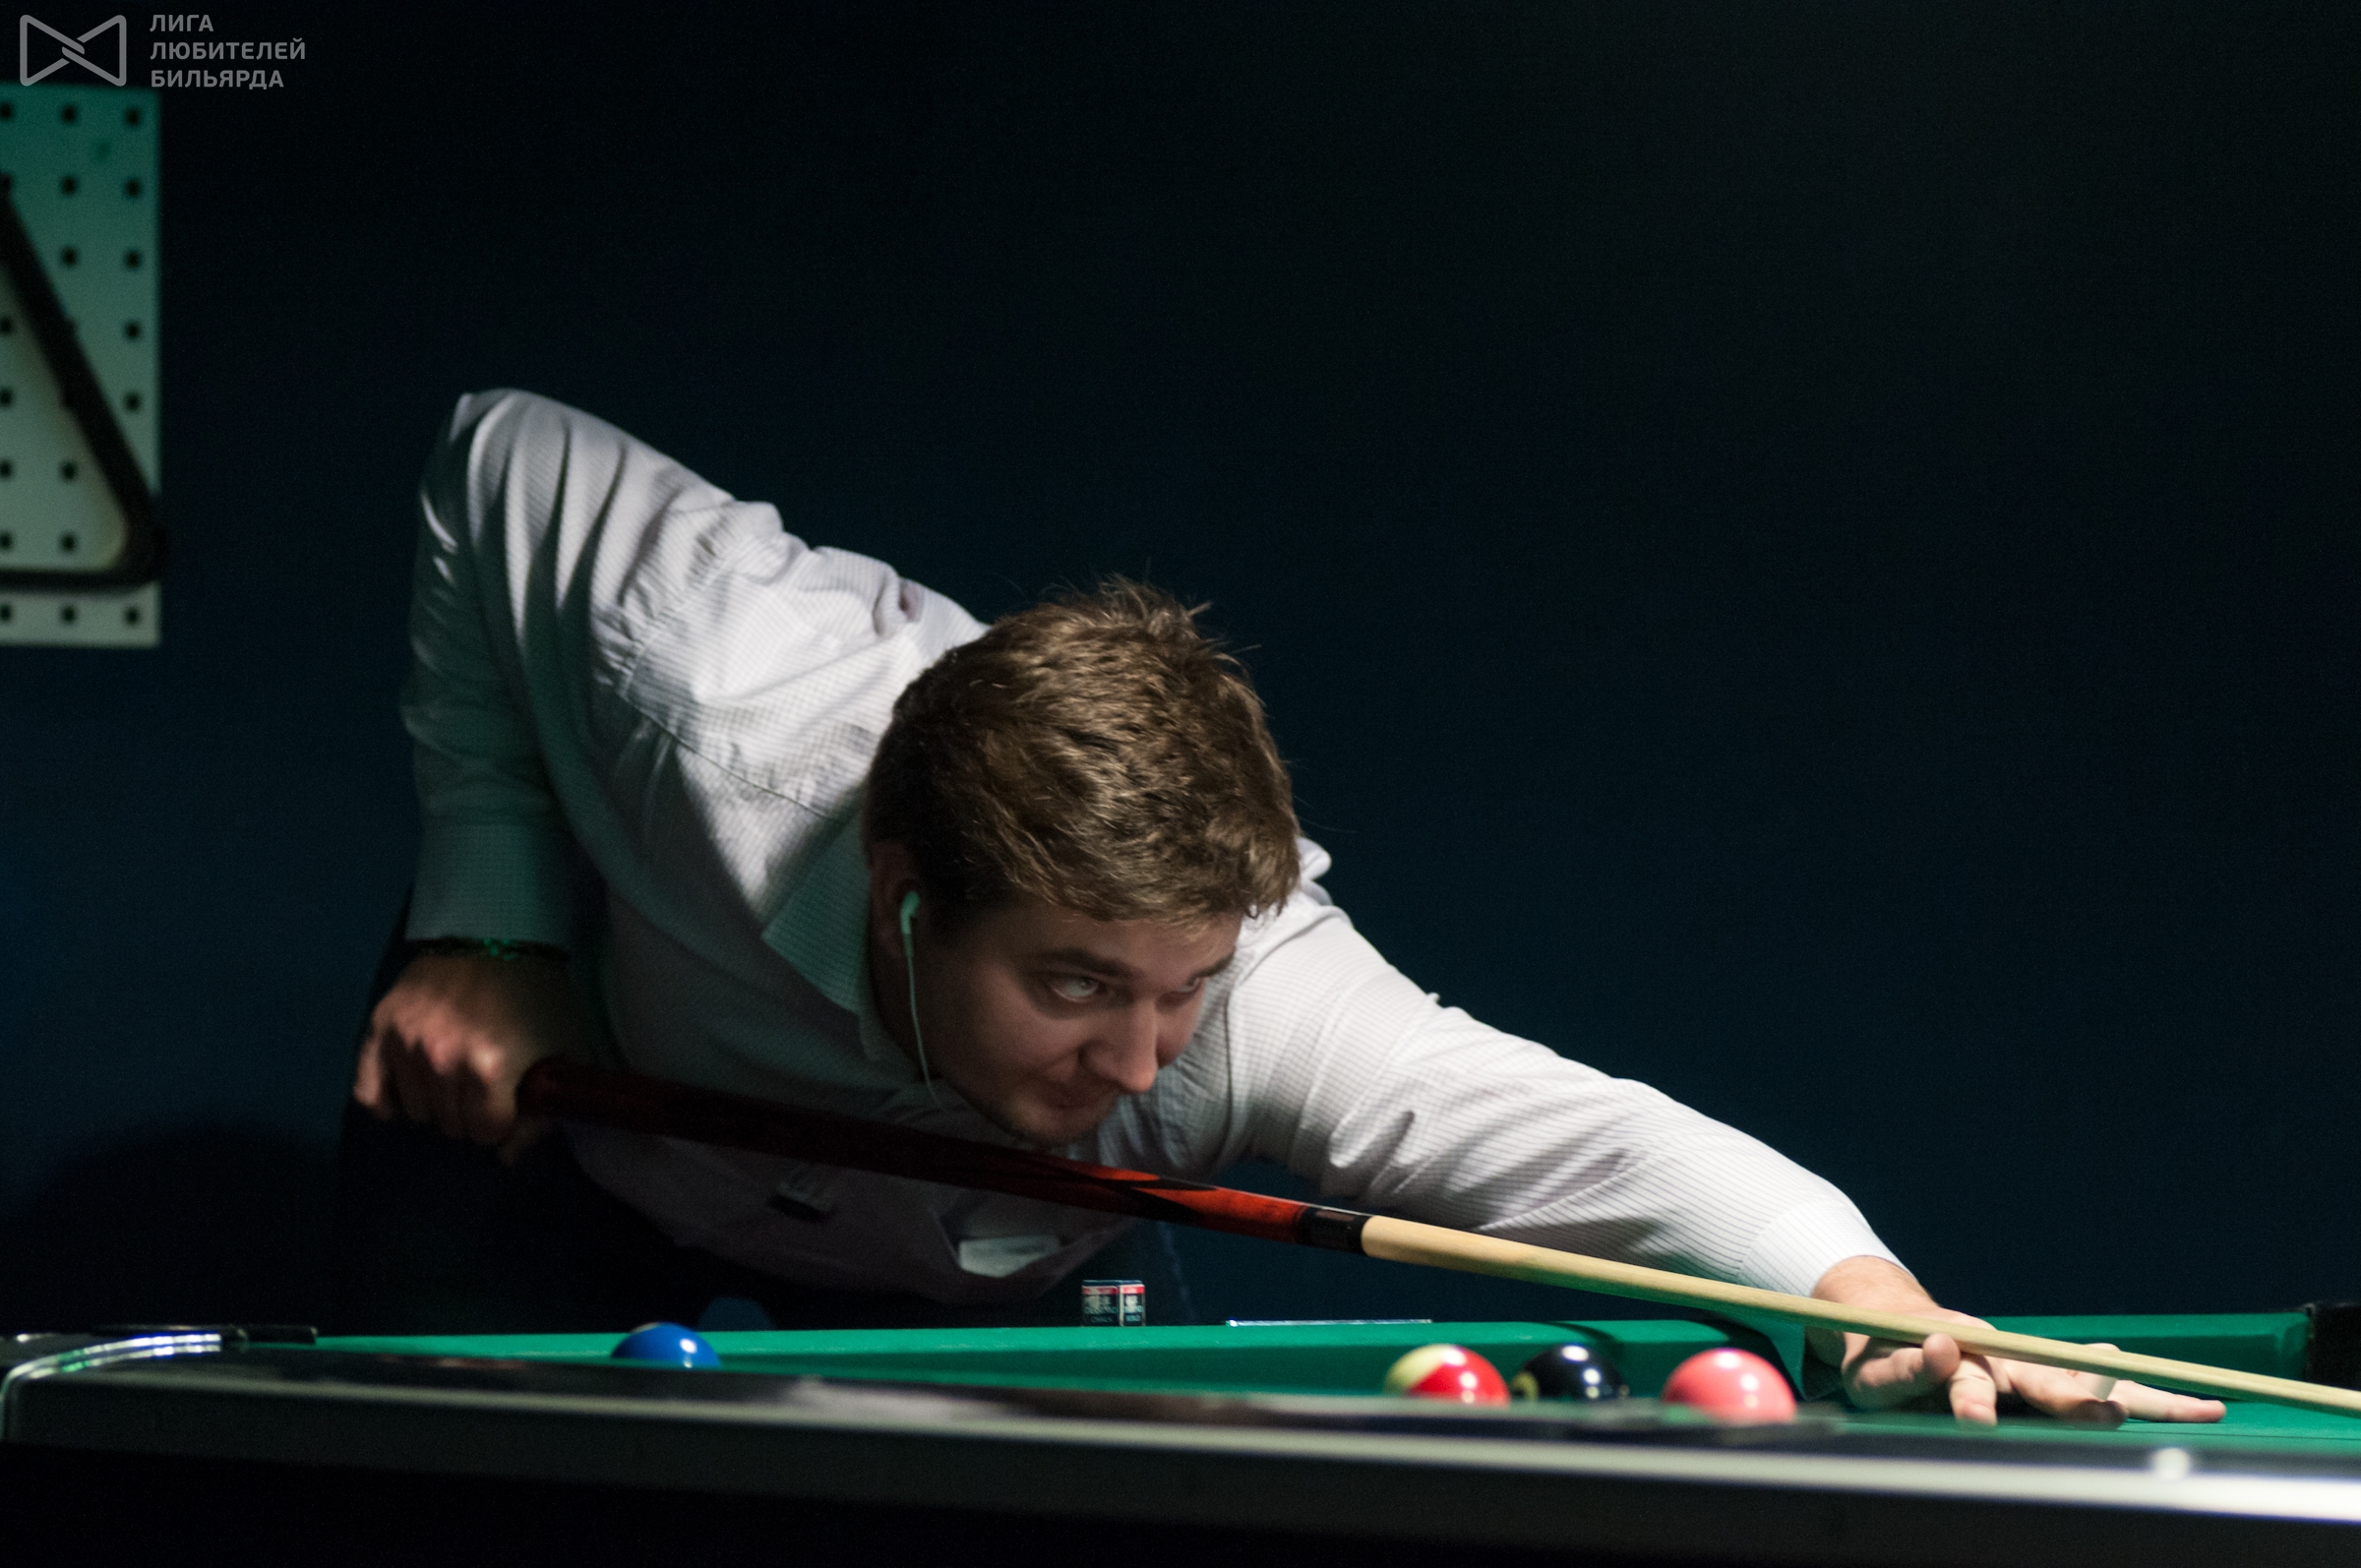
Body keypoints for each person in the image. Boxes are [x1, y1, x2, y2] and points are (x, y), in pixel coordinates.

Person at [352, 390, 2219, 1426]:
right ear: (907, 894)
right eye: (1074, 984)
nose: (1139, 1058)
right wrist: (488, 922)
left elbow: (1591, 1144)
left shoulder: (1256, 1009)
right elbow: (497, 452)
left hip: (1006, 1283)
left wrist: (1876, 1303)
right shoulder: (712, 687)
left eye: (1180, 990)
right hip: (574, 1150)